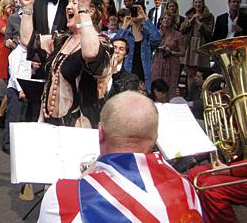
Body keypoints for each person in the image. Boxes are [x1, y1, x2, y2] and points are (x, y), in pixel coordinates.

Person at [38, 91, 204, 223]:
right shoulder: (186, 187)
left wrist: (83, 183)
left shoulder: (64, 195)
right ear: (155, 137)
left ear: (101, 133)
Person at [21, 0, 111, 127]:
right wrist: (27, 8)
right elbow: (28, 41)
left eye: (75, 3)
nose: (68, 6)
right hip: (51, 121)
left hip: (78, 125)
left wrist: (84, 12)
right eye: (68, 3)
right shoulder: (62, 39)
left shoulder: (102, 43)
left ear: (90, 10)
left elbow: (90, 54)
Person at [114, 4, 162, 94]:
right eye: (134, 11)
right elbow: (114, 44)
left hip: (144, 76)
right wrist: (124, 26)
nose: (136, 13)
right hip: (127, 75)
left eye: (139, 11)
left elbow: (157, 39)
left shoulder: (147, 35)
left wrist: (145, 19)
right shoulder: (126, 35)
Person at [180, 0, 215, 91]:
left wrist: (199, 23)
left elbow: (209, 32)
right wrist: (190, 21)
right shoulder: (190, 15)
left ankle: (200, 94)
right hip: (191, 44)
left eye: (199, 2)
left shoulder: (209, 16)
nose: (197, 4)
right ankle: (191, 93)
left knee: (200, 73)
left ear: (203, 3)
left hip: (202, 44)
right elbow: (182, 29)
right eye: (196, 2)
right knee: (190, 72)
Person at [151, 11, 185, 99]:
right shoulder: (157, 33)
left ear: (172, 22)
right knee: (156, 85)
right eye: (165, 18)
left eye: (169, 19)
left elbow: (183, 52)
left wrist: (172, 52)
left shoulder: (177, 34)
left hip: (171, 63)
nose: (166, 20)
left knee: (170, 87)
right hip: (158, 61)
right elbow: (151, 46)